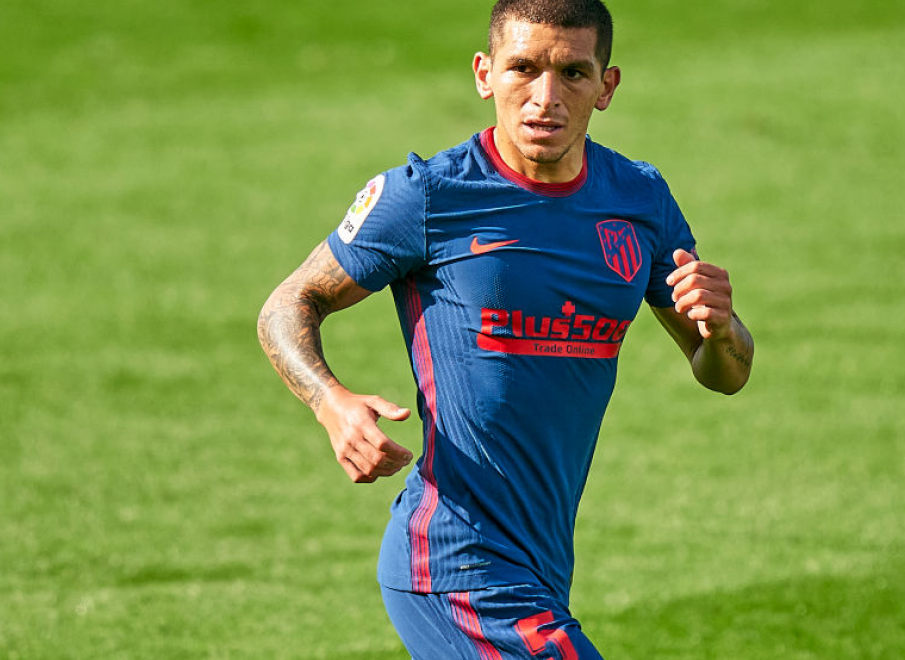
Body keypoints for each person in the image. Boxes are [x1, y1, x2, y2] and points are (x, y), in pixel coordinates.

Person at [257, 0, 754, 657]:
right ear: (484, 74)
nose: (545, 97)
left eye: (573, 73)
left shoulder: (639, 199)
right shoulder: (428, 196)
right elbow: (288, 304)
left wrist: (720, 329)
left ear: (606, 86)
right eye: (523, 68)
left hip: (541, 566)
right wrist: (331, 403)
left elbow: (725, 375)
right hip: (456, 565)